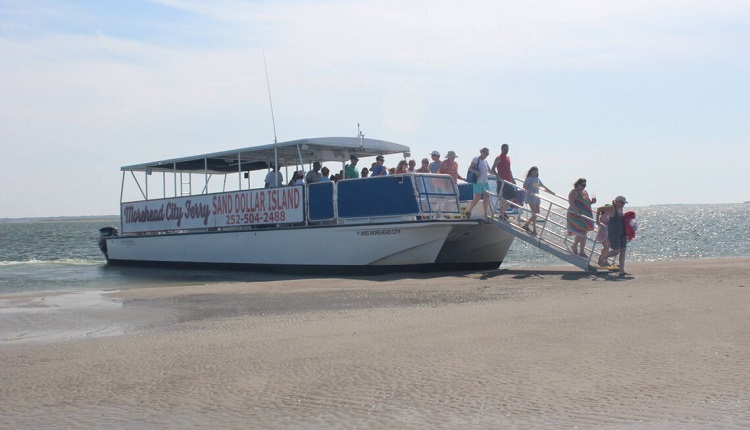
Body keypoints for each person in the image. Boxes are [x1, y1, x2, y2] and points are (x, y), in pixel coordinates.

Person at [567, 178, 597, 257]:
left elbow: (586, 202)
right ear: (577, 184)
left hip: (585, 214)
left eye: (585, 185)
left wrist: (592, 202)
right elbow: (571, 202)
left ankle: (581, 250)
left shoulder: (585, 192)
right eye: (582, 185)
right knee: (581, 231)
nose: (584, 187)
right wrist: (576, 211)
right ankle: (575, 246)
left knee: (584, 232)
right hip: (576, 214)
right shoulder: (574, 192)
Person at [600, 196, 629, 276]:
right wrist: (597, 222)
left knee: (623, 252)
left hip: (622, 233)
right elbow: (599, 209)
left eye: (624, 203)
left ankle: (621, 270)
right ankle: (603, 257)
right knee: (616, 251)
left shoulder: (621, 209)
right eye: (622, 202)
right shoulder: (612, 208)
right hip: (614, 232)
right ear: (617, 201)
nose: (623, 204)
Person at [521, 166, 553, 235]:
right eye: (534, 172)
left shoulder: (537, 179)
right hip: (531, 197)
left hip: (536, 197)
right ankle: (533, 229)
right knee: (534, 213)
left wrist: (551, 192)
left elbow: (543, 187)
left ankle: (527, 225)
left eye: (536, 172)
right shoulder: (529, 179)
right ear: (531, 172)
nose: (535, 173)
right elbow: (524, 187)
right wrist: (528, 191)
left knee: (537, 213)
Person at [490, 144, 516, 219]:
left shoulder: (508, 158)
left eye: (507, 149)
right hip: (501, 181)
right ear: (501, 149)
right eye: (505, 149)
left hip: (508, 181)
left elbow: (509, 170)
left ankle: (503, 212)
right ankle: (502, 213)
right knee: (502, 198)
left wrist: (513, 179)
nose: (506, 151)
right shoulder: (498, 158)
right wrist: (497, 175)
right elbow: (493, 169)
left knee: (512, 197)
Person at [466, 147, 491, 218]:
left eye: (488, 154)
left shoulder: (485, 161)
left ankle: (485, 214)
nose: (486, 155)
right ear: (482, 152)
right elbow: (470, 168)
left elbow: (489, 170)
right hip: (477, 181)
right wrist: (476, 172)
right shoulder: (476, 159)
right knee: (478, 198)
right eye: (486, 154)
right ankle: (469, 211)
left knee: (487, 196)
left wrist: (497, 174)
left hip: (485, 181)